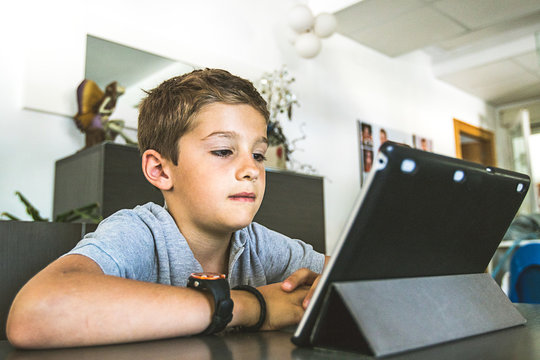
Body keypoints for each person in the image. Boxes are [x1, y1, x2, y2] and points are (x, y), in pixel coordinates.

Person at [6, 69, 328, 349]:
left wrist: (332, 281)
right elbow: (37, 312)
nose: (252, 170)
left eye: (258, 155)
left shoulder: (256, 243)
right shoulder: (140, 232)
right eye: (223, 150)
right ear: (160, 170)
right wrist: (252, 306)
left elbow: (354, 273)